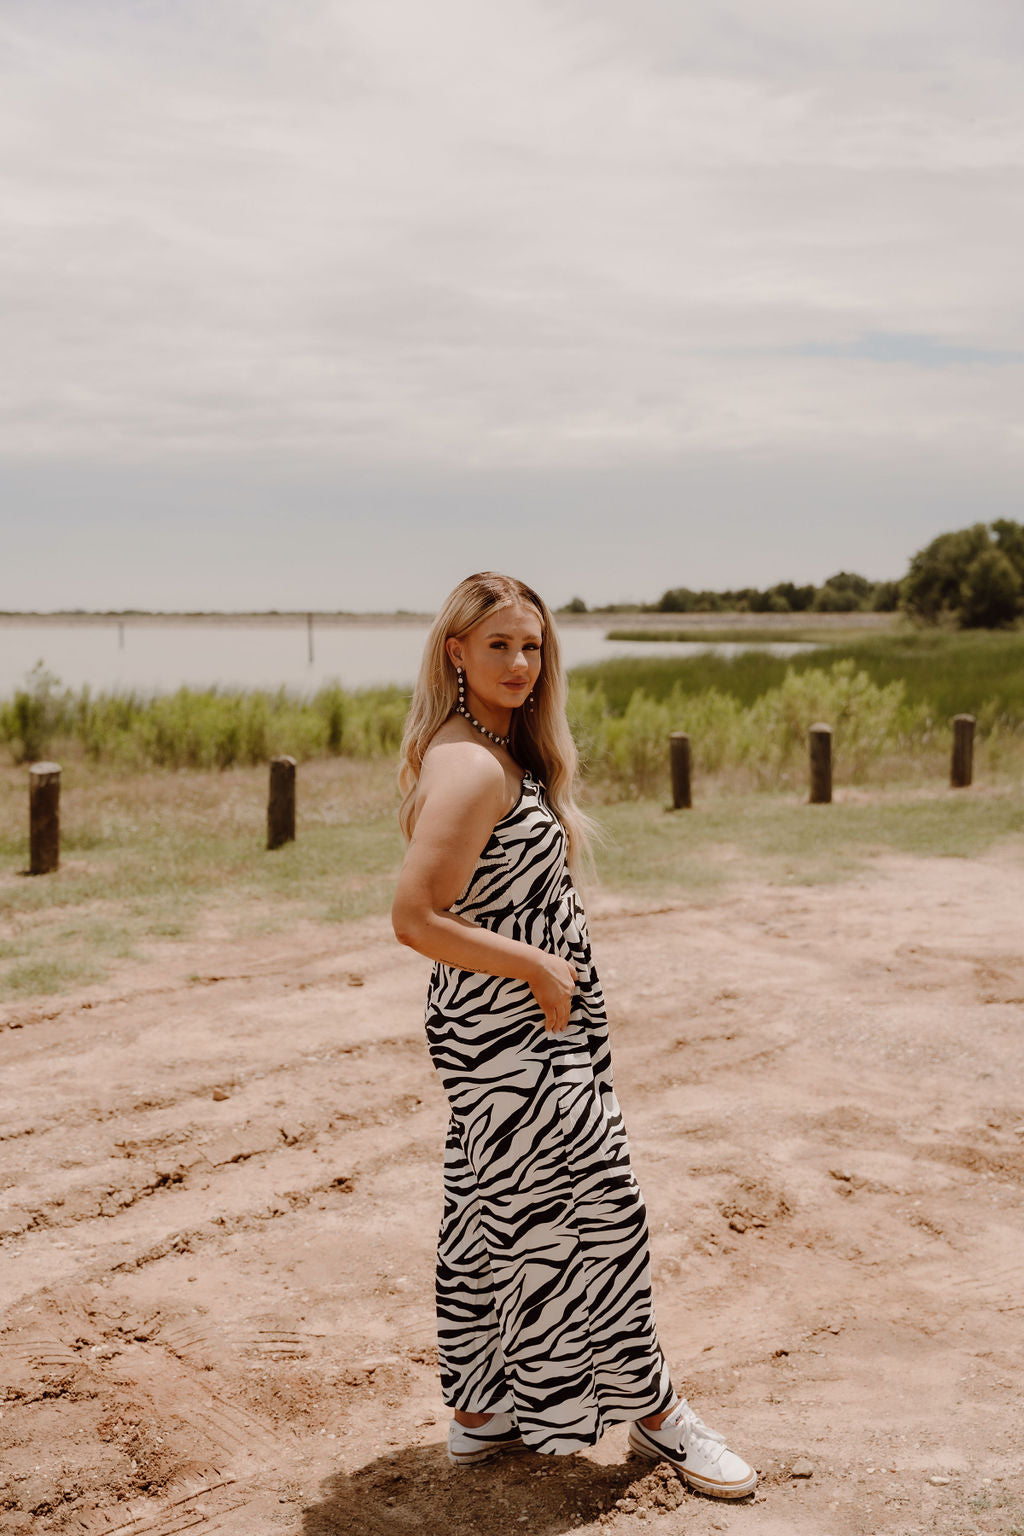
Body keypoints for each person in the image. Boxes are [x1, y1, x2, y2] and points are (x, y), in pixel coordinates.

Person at [391, 572, 756, 1500]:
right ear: (456, 653)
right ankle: (660, 1413)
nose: (521, 663)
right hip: (508, 1030)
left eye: (534, 646)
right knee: (601, 1213)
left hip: (507, 1024)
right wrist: (541, 967)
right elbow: (414, 916)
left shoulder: (488, 747)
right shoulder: (472, 764)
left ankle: (481, 1415)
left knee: (491, 1209)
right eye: (500, 646)